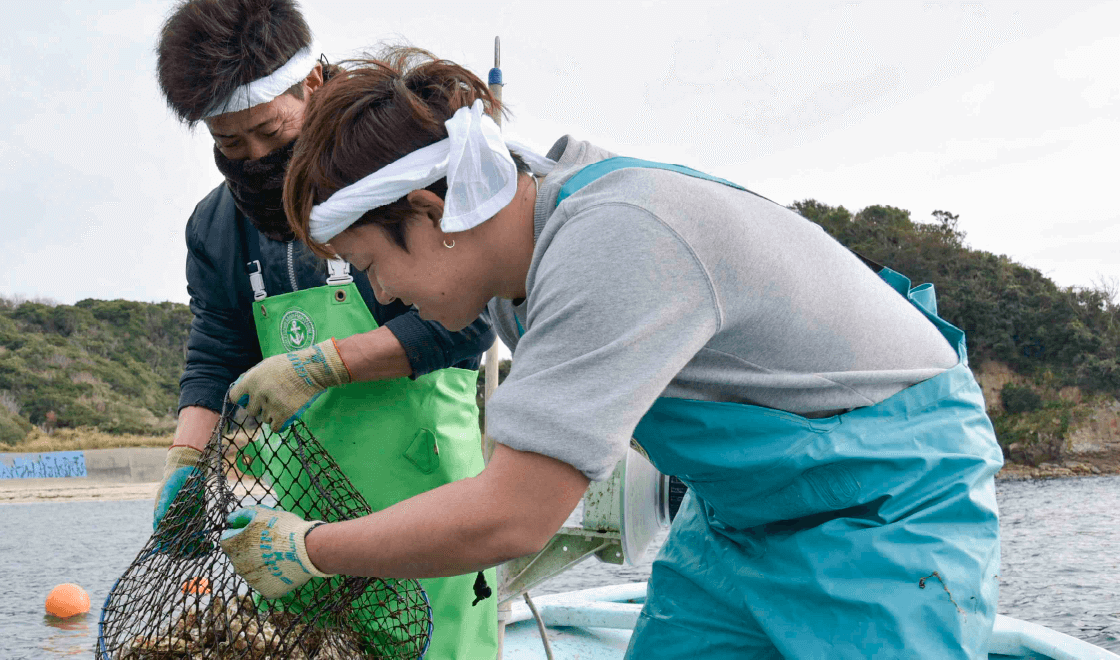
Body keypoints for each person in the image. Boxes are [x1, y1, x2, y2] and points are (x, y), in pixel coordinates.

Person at [221, 47, 1004, 659]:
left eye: (371, 263)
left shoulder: (613, 242)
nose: (381, 293)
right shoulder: (515, 264)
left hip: (885, 502)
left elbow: (513, 517)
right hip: (740, 516)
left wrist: (310, 549)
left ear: (432, 210)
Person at [151, 5, 498, 658]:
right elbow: (217, 350)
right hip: (290, 520)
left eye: (267, 130)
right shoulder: (216, 228)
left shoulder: (398, 177)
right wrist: (185, 461)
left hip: (425, 494)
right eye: (230, 144)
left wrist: (318, 365)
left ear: (312, 83)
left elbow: (466, 322)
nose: (254, 157)